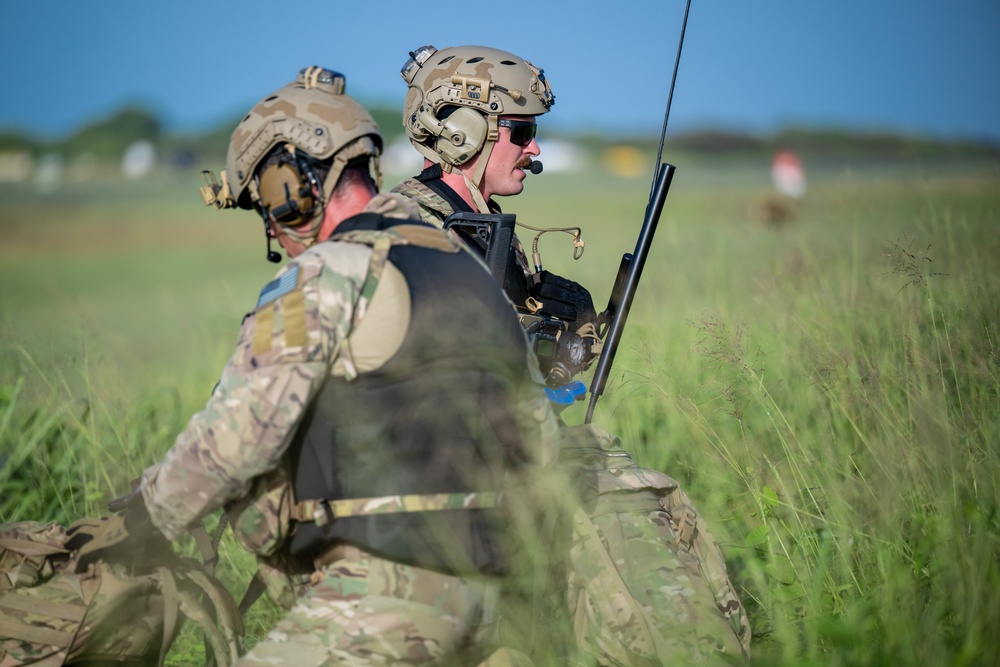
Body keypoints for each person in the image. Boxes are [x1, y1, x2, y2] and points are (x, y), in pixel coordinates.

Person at [129, 65, 564, 666]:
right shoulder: (472, 273)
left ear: (289, 186)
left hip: (382, 598)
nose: (275, 232)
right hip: (495, 598)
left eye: (267, 205)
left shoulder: (328, 273)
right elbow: (540, 444)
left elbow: (234, 441)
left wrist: (137, 520)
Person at [390, 45, 752, 665]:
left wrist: (570, 353)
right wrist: (528, 353)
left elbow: (537, 387)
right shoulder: (409, 231)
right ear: (462, 132)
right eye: (522, 132)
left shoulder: (479, 225)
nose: (535, 152)